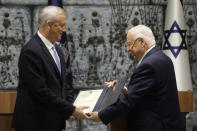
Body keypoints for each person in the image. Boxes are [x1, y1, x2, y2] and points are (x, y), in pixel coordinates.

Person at [88, 25, 185, 131]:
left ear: (142, 42)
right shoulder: (162, 58)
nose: (127, 49)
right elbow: (147, 92)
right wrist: (123, 89)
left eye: (130, 44)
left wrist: (101, 115)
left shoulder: (149, 64)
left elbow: (128, 100)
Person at [12, 6, 88, 131]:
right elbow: (40, 91)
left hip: (53, 122)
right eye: (61, 25)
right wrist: (71, 109)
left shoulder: (58, 49)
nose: (64, 30)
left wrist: (69, 107)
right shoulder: (31, 51)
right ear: (49, 24)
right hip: (35, 124)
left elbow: (64, 84)